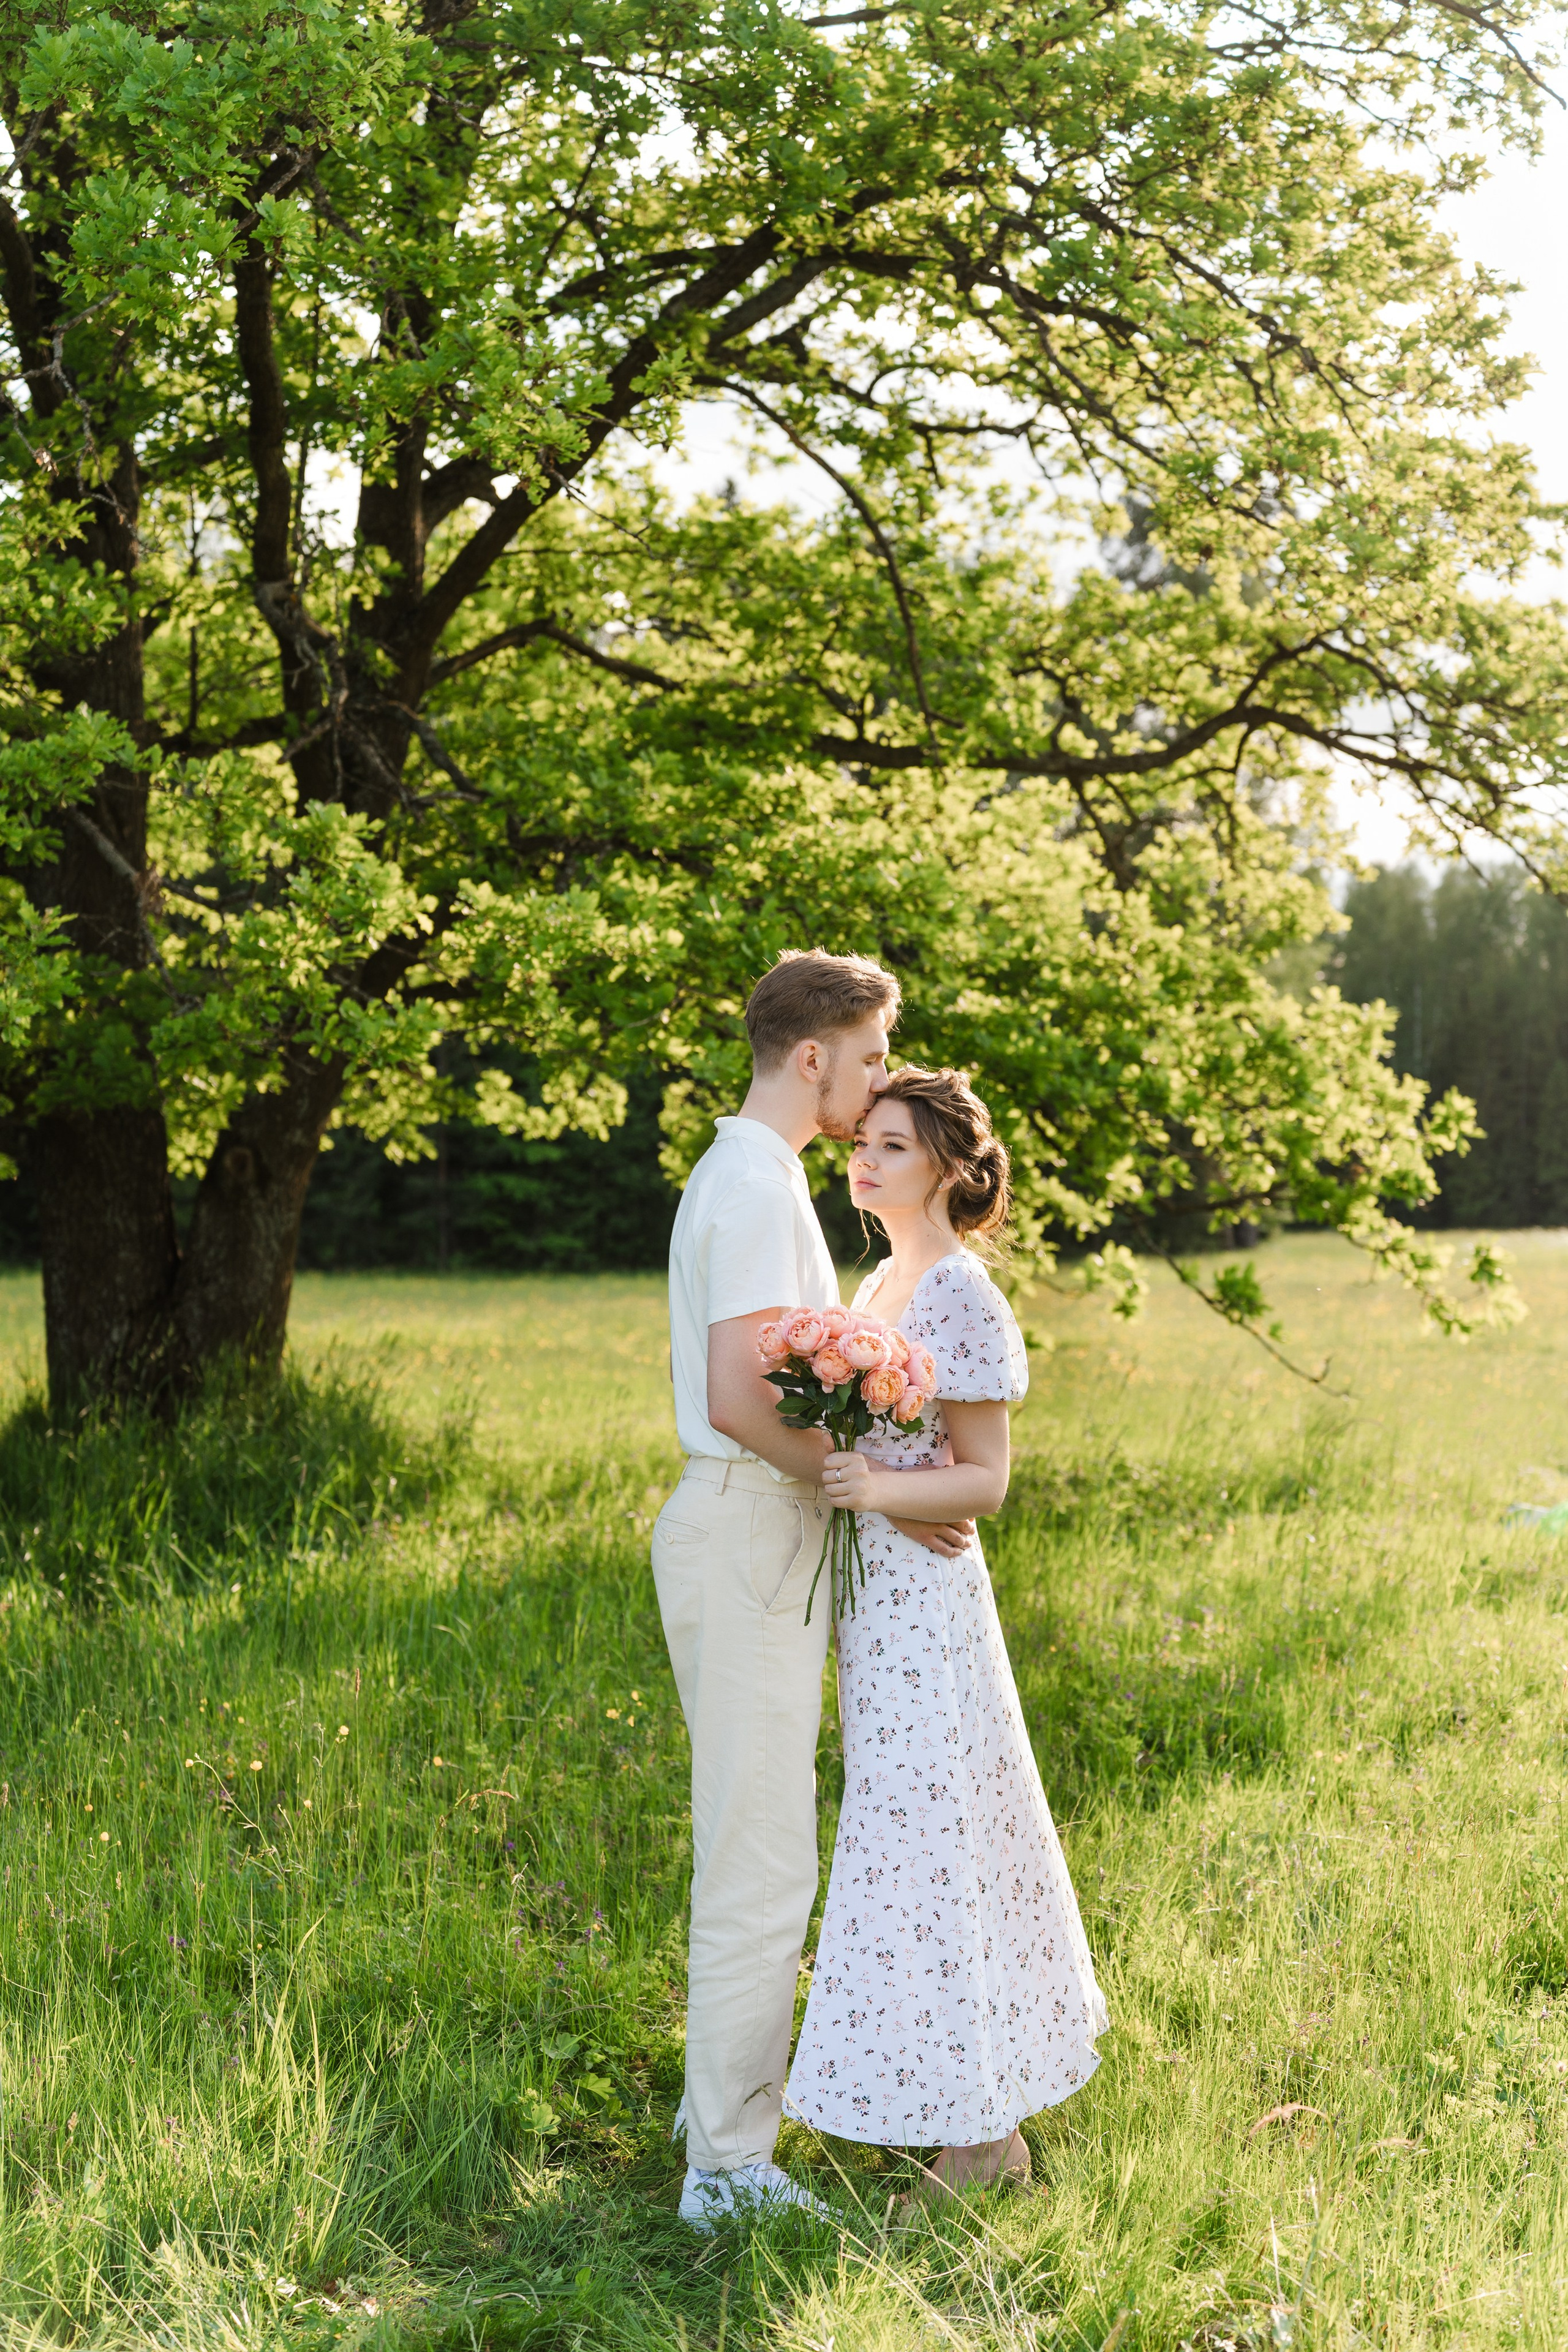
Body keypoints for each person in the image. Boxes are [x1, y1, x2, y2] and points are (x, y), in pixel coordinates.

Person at [654, 951, 973, 2231]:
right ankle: (726, 2169)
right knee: (762, 1859)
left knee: (752, 1838)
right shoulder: (747, 1179)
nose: (880, 1078)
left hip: (755, 1531)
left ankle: (709, 2116)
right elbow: (739, 1400)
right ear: (811, 1058)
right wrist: (857, 1484)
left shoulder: (760, 1175)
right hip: (743, 1527)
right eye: (873, 1054)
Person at [783, 1065, 1108, 2199]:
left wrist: (875, 1491)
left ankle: (979, 2136)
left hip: (929, 1613)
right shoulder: (881, 1285)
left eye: (893, 1149)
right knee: (912, 1846)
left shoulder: (961, 1293)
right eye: (862, 1143)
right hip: (876, 1606)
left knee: (931, 1850)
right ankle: (973, 2115)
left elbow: (985, 1483)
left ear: (951, 1172)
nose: (864, 1162)